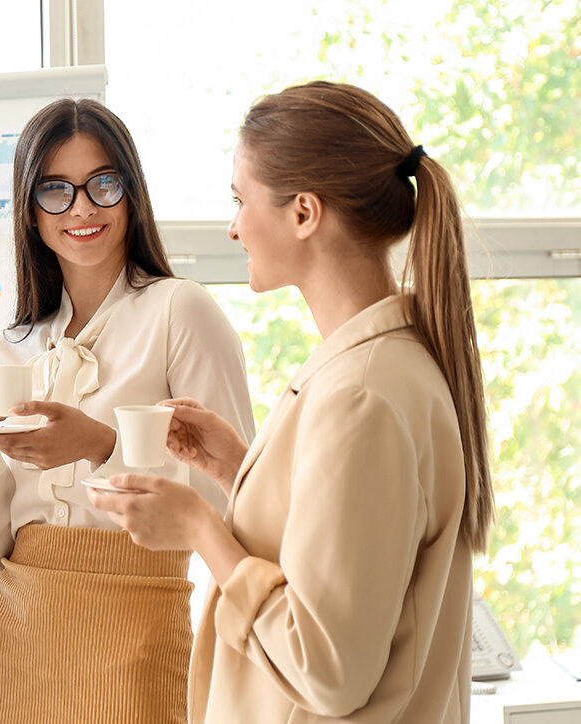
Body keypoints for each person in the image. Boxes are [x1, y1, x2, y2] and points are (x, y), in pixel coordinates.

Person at [90, 80, 494, 723]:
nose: (232, 227)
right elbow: (348, 557)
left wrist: (202, 528)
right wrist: (237, 469)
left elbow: (327, 669)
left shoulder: (361, 392)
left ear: (304, 212)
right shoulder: (380, 366)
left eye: (240, 199)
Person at [0, 98, 254, 722]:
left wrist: (98, 446)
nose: (81, 208)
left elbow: (236, 504)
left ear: (132, 194)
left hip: (137, 623)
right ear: (30, 212)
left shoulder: (179, 311)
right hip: (14, 632)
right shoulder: (13, 347)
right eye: (55, 190)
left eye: (102, 184)